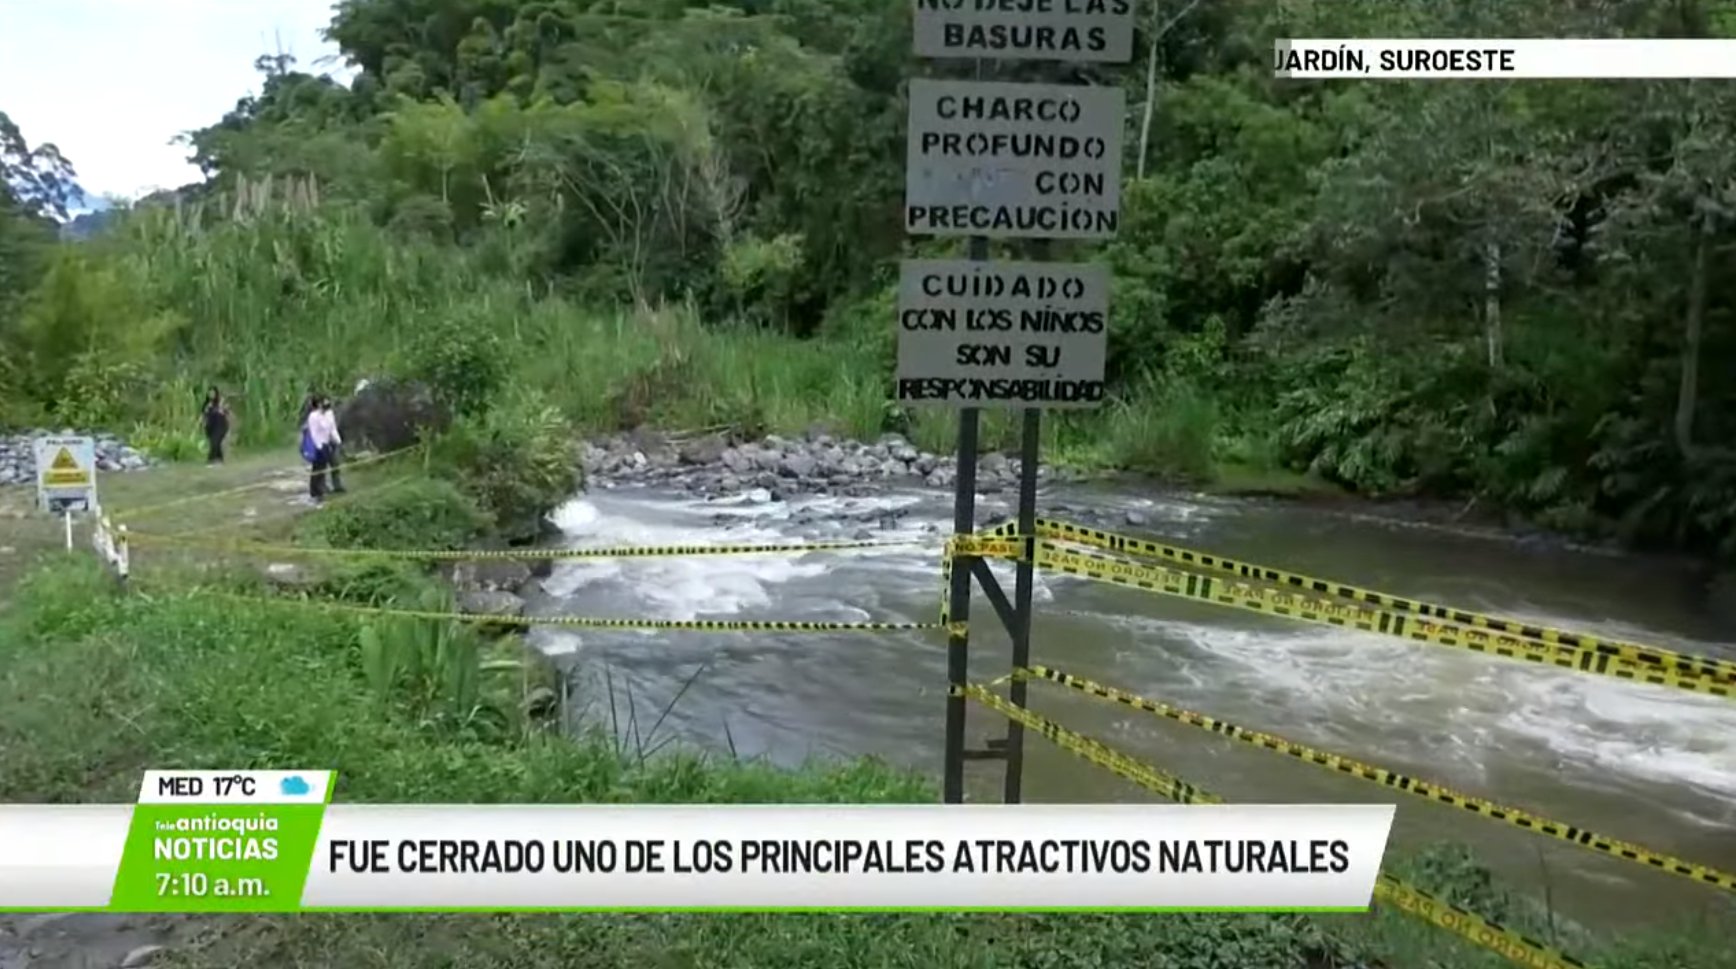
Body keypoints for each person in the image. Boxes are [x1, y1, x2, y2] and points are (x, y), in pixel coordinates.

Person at [306, 395, 343, 503]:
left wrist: (338, 440)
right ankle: (315, 491)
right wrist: (319, 446)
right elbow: (314, 433)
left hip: (329, 442)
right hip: (319, 445)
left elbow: (332, 428)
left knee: (334, 464)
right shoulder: (313, 416)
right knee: (318, 468)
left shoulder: (329, 414)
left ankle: (336, 486)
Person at [201, 386, 231, 465]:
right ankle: (219, 459)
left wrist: (222, 409)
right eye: (210, 393)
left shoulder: (221, 402)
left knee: (216, 441)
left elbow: (226, 412)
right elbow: (204, 415)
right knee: (214, 443)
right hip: (211, 426)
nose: (211, 395)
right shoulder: (206, 404)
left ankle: (211, 459)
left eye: (213, 393)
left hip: (221, 425)